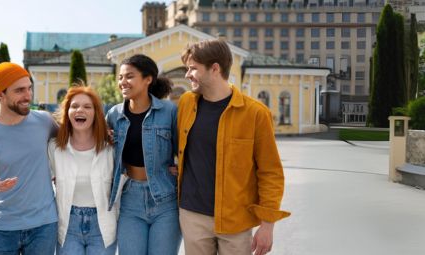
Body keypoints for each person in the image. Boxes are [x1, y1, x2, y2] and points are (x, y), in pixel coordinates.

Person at [176, 39, 291, 255]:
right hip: (193, 216)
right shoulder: (185, 103)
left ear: (215, 68)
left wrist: (268, 225)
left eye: (193, 69)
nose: (187, 74)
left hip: (236, 221)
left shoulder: (256, 113)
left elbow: (270, 173)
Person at [0, 62, 58, 255]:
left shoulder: (45, 121)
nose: (28, 96)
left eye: (29, 88)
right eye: (20, 90)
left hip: (44, 226)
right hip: (3, 228)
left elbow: (75, 141)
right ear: (0, 94)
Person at [105, 54, 181, 254]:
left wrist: (183, 168)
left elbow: (184, 149)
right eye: (120, 77)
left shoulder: (169, 111)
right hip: (130, 199)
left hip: (165, 199)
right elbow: (97, 147)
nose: (123, 82)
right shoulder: (114, 115)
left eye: (129, 76)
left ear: (148, 79)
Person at [48, 85, 118, 255]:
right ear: (67, 112)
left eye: (87, 106)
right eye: (74, 106)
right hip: (67, 225)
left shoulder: (110, 148)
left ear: (96, 113)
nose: (80, 110)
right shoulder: (54, 148)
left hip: (102, 225)